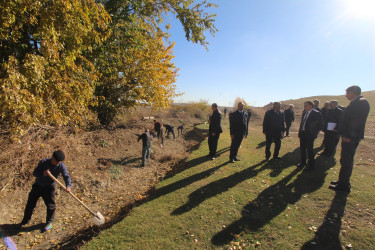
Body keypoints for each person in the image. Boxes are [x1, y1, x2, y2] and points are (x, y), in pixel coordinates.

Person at [329, 86, 370, 193]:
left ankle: (344, 186)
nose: (346, 95)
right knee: (344, 160)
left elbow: (356, 122)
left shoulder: (361, 102)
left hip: (350, 137)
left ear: (353, 92)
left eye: (347, 92)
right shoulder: (356, 102)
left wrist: (349, 136)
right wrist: (339, 130)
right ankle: (341, 181)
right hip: (348, 136)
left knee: (347, 161)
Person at [20, 150, 71, 232]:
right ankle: (25, 221)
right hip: (37, 186)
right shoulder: (44, 162)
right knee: (30, 204)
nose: (58, 163)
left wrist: (68, 186)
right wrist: (43, 174)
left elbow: (66, 176)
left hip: (49, 188)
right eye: (57, 161)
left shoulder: (61, 166)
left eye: (59, 162)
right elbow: (35, 173)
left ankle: (49, 223)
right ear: (53, 158)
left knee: (51, 206)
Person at [297, 101, 323, 170]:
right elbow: (303, 122)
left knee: (310, 150)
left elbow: (320, 125)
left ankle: (311, 165)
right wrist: (300, 132)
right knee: (302, 149)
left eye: (306, 106)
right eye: (304, 105)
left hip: (310, 135)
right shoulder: (305, 112)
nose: (304, 107)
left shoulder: (316, 113)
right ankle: (303, 163)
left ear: (311, 106)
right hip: (303, 133)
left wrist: (314, 133)